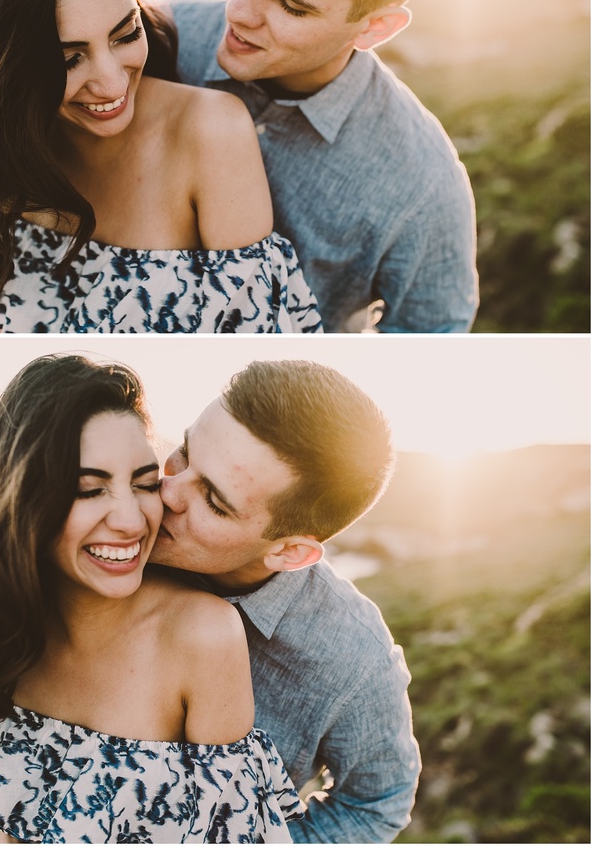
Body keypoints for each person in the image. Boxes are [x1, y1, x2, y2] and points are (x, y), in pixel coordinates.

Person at [0, 354, 303, 843]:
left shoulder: (201, 635)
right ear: (22, 500)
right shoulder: (2, 627)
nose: (131, 520)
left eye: (145, 484)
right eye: (90, 489)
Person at [0, 0, 321, 334]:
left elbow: (257, 338)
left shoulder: (210, 131)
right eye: (69, 59)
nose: (112, 84)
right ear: (6, 68)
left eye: (125, 34)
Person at [171, 0, 479, 333]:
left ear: (375, 28)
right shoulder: (147, 44)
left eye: (290, 3)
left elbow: (432, 343)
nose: (238, 10)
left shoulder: (425, 187)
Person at [149, 359, 421, 842]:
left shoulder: (354, 661)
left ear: (290, 552)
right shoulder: (103, 532)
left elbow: (375, 805)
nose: (166, 491)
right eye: (184, 453)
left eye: (213, 499)